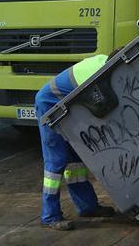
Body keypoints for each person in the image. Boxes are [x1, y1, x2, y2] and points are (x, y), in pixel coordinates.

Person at [34, 54, 116, 231]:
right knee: (56, 162)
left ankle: (87, 207)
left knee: (75, 159)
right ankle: (50, 216)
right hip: (49, 108)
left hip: (63, 108)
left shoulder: (102, 61)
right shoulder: (98, 74)